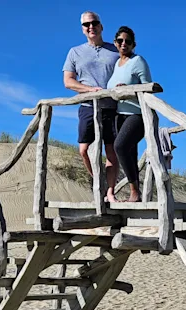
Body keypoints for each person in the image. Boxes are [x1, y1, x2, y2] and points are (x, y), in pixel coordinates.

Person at [62, 10, 120, 203]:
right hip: (88, 106)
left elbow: (128, 70)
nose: (91, 27)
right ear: (82, 29)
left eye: (94, 23)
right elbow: (68, 81)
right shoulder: (75, 52)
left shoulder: (115, 50)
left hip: (113, 108)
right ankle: (99, 182)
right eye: (86, 24)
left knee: (112, 150)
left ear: (101, 26)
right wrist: (89, 90)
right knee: (84, 150)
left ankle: (110, 192)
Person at [106, 26, 152, 202]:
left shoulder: (138, 61)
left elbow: (148, 88)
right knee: (129, 152)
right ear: (115, 43)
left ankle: (134, 192)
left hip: (138, 114)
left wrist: (128, 90)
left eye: (128, 41)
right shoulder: (117, 65)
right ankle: (136, 194)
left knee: (120, 146)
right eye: (120, 41)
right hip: (120, 114)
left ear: (134, 44)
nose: (123, 44)